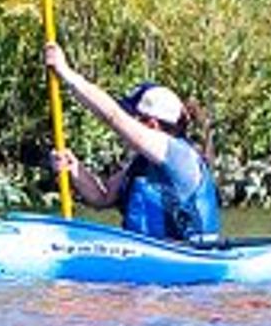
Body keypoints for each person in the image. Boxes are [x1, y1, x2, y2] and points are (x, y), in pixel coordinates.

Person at [45, 41, 220, 244]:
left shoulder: (177, 155)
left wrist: (65, 73)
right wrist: (74, 169)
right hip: (147, 258)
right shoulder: (140, 164)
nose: (127, 125)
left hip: (190, 257)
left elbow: (113, 116)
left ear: (151, 123)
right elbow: (101, 197)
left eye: (133, 117)